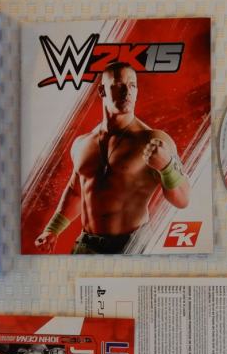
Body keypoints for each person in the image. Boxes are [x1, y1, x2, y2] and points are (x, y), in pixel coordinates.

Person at [34, 61, 191, 254]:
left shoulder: (153, 140)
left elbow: (183, 199)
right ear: (102, 91)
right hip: (87, 246)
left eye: (132, 85)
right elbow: (76, 191)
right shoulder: (82, 143)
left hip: (132, 248)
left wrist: (167, 167)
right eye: (118, 85)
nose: (127, 92)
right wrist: (52, 229)